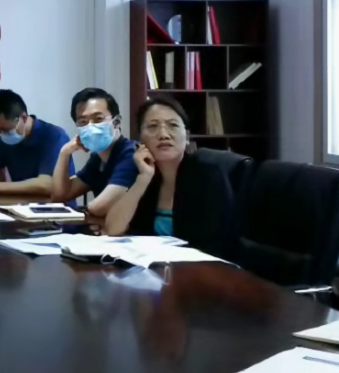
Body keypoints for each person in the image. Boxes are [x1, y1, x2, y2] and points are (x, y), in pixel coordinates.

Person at [88, 95, 237, 257]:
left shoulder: (208, 175)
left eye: (173, 125)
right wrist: (143, 179)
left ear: (187, 137)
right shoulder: (146, 175)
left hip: (201, 267)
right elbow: (113, 228)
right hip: (156, 267)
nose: (164, 134)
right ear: (140, 141)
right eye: (152, 126)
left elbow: (213, 243)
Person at [0, 89, 73, 196]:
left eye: (5, 129)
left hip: (56, 209)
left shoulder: (54, 136)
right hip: (21, 207)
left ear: (23, 118)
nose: (2, 134)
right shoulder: (5, 139)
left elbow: (47, 184)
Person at [50, 87, 139, 205]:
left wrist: (85, 212)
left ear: (116, 122)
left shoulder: (130, 153)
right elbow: (59, 196)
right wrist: (64, 153)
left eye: (98, 119)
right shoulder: (97, 159)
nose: (90, 127)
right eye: (83, 122)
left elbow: (100, 207)